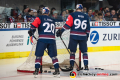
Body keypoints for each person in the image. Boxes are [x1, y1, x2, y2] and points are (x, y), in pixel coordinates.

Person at [56, 4, 90, 70]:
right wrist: (87, 36)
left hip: (74, 36)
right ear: (82, 9)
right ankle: (86, 66)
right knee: (84, 52)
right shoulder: (86, 16)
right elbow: (88, 28)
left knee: (72, 52)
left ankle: (71, 66)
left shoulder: (72, 15)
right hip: (83, 36)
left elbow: (68, 25)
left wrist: (61, 31)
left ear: (76, 9)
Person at [28, 7, 60, 77]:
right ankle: (57, 70)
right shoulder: (52, 20)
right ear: (48, 13)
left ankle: (36, 71)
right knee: (54, 56)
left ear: (42, 12)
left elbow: (33, 26)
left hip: (42, 39)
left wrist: (31, 31)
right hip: (52, 39)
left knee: (38, 56)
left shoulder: (39, 18)